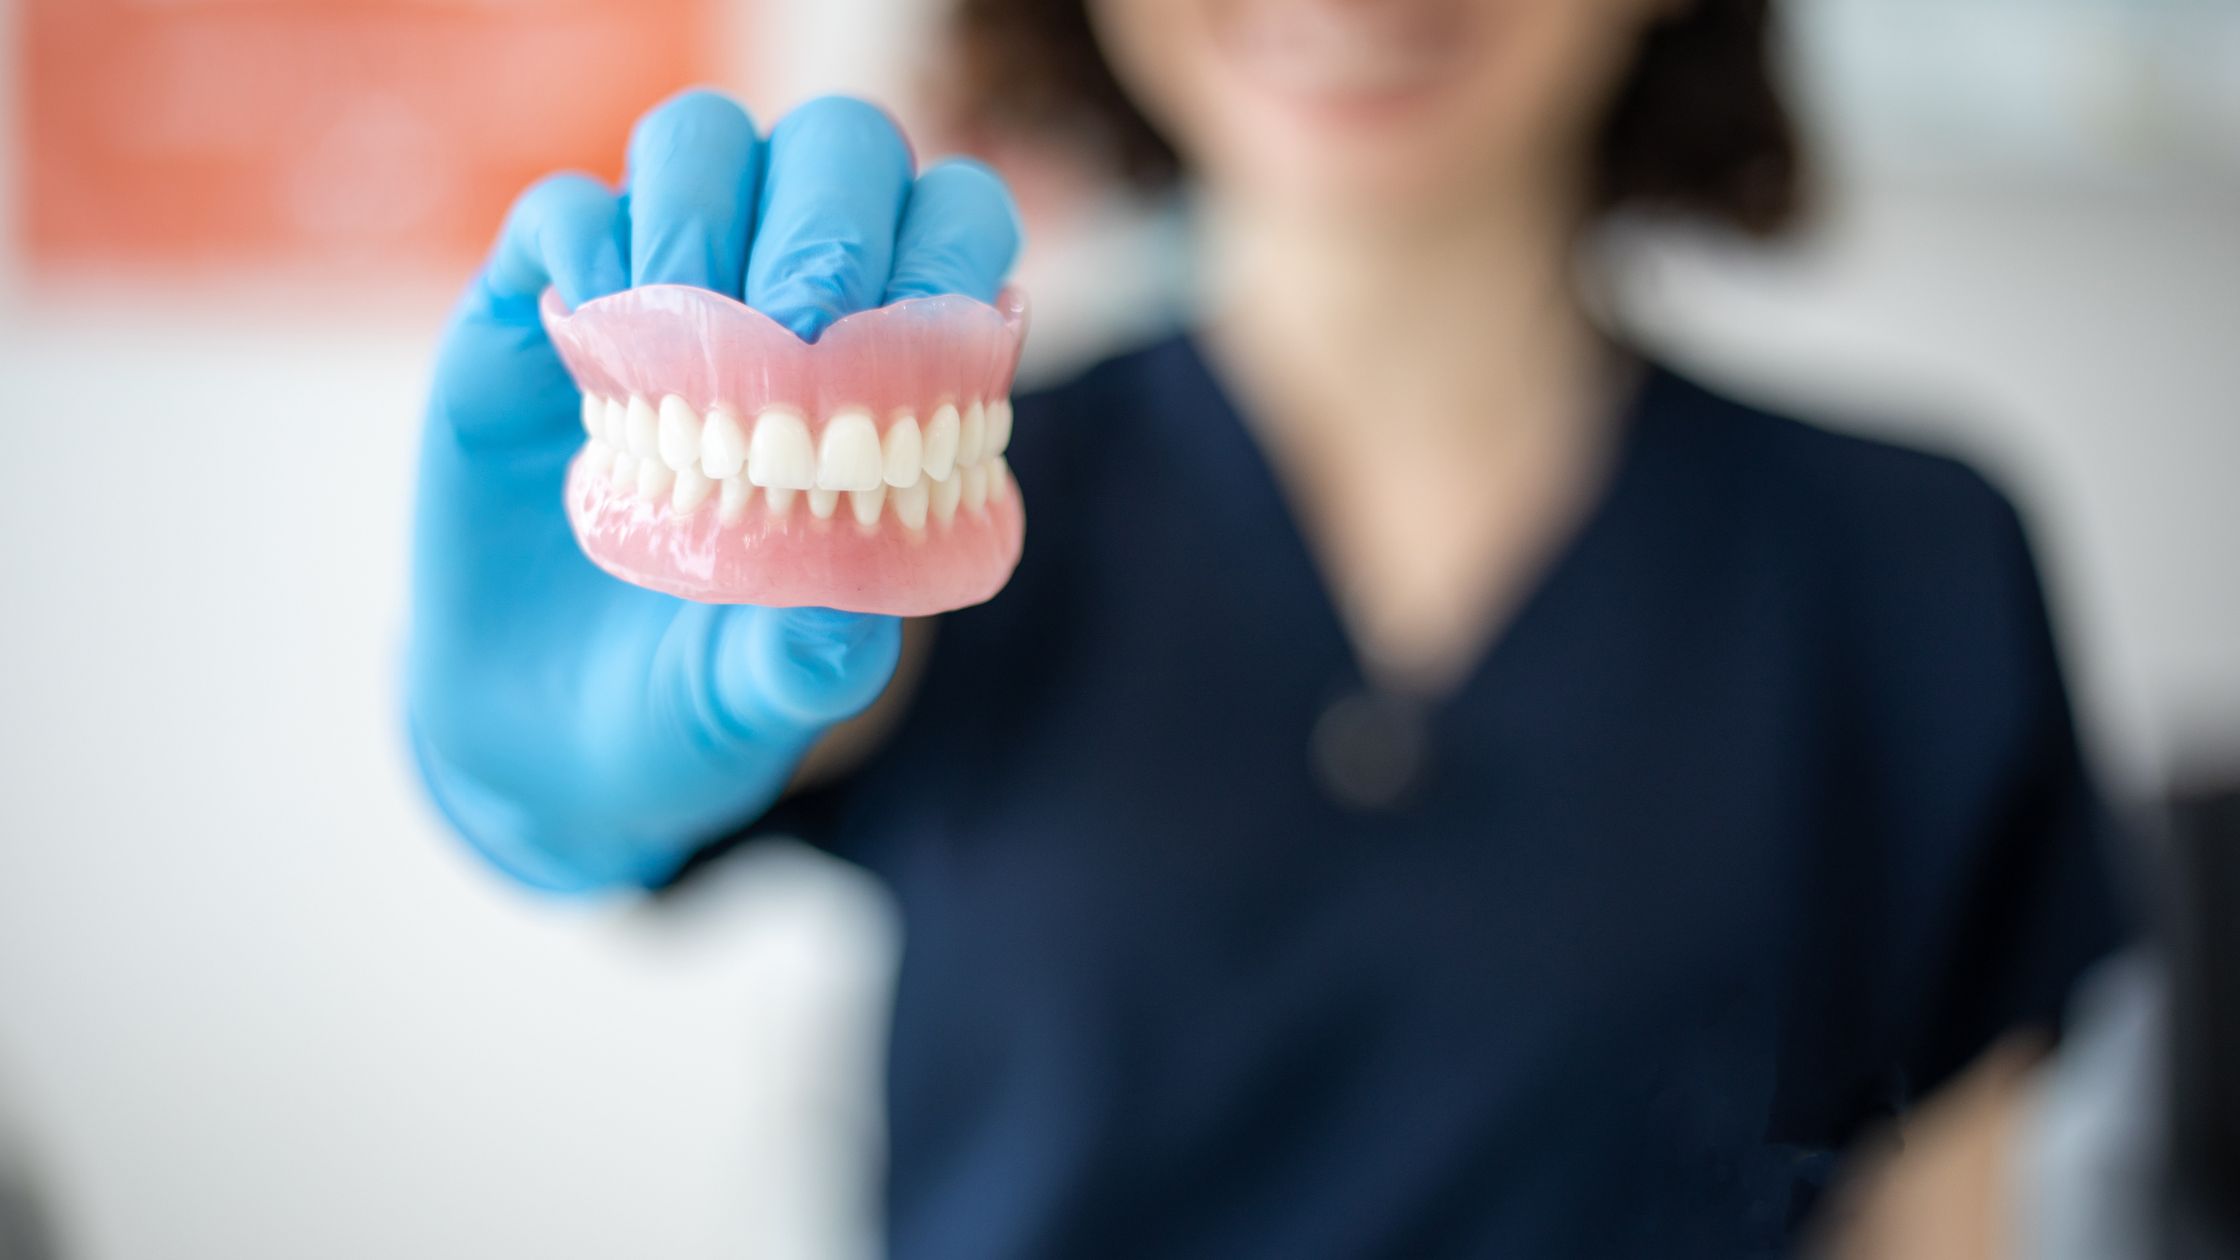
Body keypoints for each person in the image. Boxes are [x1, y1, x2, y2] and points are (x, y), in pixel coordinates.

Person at [407, 0, 2132, 1254]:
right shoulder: (922, 514)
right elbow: (730, 732)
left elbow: (1936, 1219)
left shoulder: (1912, 566)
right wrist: (554, 771)